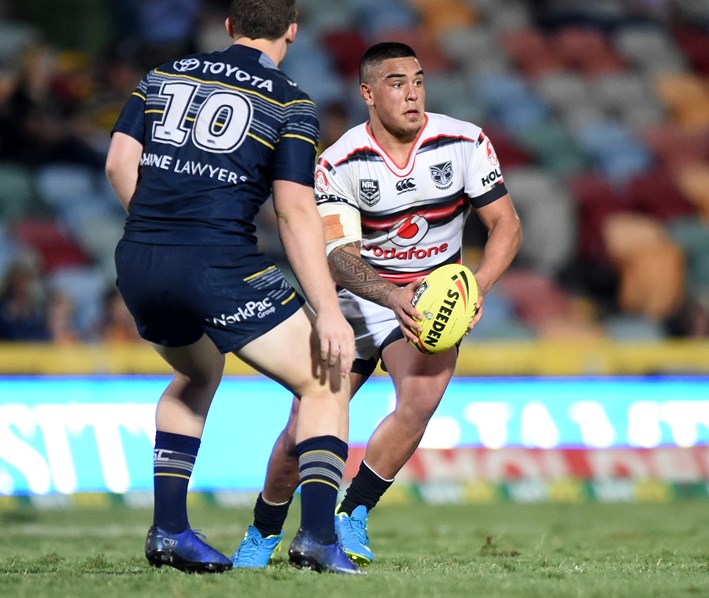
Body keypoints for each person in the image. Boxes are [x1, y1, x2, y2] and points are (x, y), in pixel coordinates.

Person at [232, 41, 522, 568]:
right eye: (396, 83)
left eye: (418, 81)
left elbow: (507, 224)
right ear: (367, 93)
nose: (412, 94)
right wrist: (391, 295)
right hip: (354, 301)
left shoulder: (464, 141)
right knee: (303, 431)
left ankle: (354, 512)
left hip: (429, 295)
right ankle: (264, 526)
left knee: (422, 396)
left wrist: (476, 286)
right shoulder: (340, 161)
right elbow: (338, 257)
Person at [104, 0, 361, 575]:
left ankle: (169, 531)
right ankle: (318, 538)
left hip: (140, 258)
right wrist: (328, 311)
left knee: (197, 372)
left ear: (229, 26)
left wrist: (156, 232)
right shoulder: (290, 102)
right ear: (292, 30)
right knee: (326, 380)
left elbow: (121, 163)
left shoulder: (163, 76)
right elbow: (295, 213)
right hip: (217, 262)